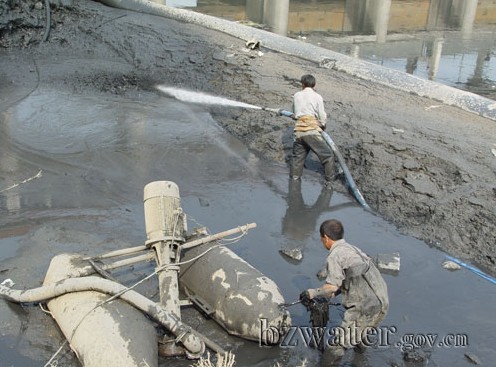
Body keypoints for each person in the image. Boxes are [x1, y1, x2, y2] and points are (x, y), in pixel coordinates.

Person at [300, 219, 389, 365]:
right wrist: (335, 294)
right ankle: (359, 359)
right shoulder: (352, 249)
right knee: (363, 332)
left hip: (364, 306)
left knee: (336, 346)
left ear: (325, 238)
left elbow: (331, 287)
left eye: (322, 240)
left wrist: (312, 293)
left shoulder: (334, 256)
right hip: (382, 300)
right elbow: (353, 278)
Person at [290, 74, 337, 188]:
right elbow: (322, 115)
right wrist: (323, 125)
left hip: (298, 132)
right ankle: (329, 182)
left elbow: (295, 114)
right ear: (314, 85)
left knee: (298, 159)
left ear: (302, 84)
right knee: (328, 156)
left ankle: (294, 181)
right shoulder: (317, 97)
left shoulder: (296, 95)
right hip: (311, 131)